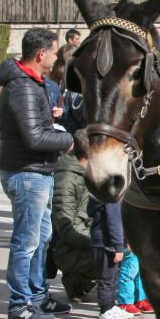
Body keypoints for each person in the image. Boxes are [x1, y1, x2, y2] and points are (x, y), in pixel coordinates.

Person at [0, 27, 74, 319]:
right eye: (54, 52)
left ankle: (38, 295)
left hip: (38, 171)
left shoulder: (32, 83)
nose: (56, 57)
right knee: (26, 241)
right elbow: (35, 138)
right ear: (41, 54)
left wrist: (52, 119)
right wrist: (69, 140)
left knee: (41, 238)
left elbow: (36, 127)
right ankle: (19, 304)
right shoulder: (23, 87)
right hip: (27, 173)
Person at [51, 129, 98, 302]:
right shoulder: (67, 181)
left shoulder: (92, 171)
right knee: (113, 253)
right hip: (70, 247)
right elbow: (66, 227)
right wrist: (101, 242)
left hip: (88, 235)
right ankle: (76, 280)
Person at [88, 191, 132, 319]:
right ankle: (105, 310)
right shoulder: (110, 198)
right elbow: (114, 222)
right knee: (106, 279)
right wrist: (118, 246)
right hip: (106, 244)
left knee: (112, 278)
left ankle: (111, 306)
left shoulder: (108, 196)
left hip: (108, 243)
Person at [118, 245, 153, 315]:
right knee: (128, 273)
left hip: (139, 243)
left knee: (139, 274)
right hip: (129, 242)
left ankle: (139, 301)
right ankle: (125, 303)